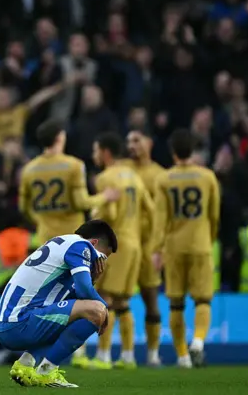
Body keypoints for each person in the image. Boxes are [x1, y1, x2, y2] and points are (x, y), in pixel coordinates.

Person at [0, 220, 115, 388]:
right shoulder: (81, 245)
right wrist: (104, 310)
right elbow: (84, 290)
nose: (100, 263)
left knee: (77, 314)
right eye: (101, 257)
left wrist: (93, 279)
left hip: (10, 324)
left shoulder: (63, 244)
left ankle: (25, 364)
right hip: (20, 323)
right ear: (93, 242)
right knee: (96, 311)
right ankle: (47, 371)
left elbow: (73, 300)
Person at [153, 128, 220, 368]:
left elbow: (160, 219)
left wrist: (157, 250)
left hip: (173, 247)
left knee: (176, 303)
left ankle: (182, 356)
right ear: (193, 150)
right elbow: (214, 215)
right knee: (203, 300)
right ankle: (198, 343)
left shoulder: (163, 179)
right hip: (200, 244)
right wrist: (208, 239)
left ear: (172, 152)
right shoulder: (207, 177)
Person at [89, 132, 156, 370]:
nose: (94, 154)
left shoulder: (105, 178)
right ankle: (128, 357)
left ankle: (104, 355)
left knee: (105, 297)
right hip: (135, 243)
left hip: (115, 244)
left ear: (106, 152)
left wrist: (95, 212)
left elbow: (111, 216)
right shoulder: (135, 177)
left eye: (96, 150)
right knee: (123, 301)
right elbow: (151, 209)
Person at [18, 119, 120, 246]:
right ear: (60, 137)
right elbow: (81, 203)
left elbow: (23, 207)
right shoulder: (74, 165)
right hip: (71, 236)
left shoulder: (29, 169)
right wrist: (105, 196)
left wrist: (40, 220)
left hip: (45, 237)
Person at [119, 129, 167, 367]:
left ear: (149, 142)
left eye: (136, 140)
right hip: (125, 243)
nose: (132, 145)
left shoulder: (160, 175)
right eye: (129, 141)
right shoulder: (121, 170)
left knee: (151, 298)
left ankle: (153, 353)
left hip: (148, 245)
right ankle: (125, 353)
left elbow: (164, 214)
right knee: (119, 299)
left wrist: (163, 246)